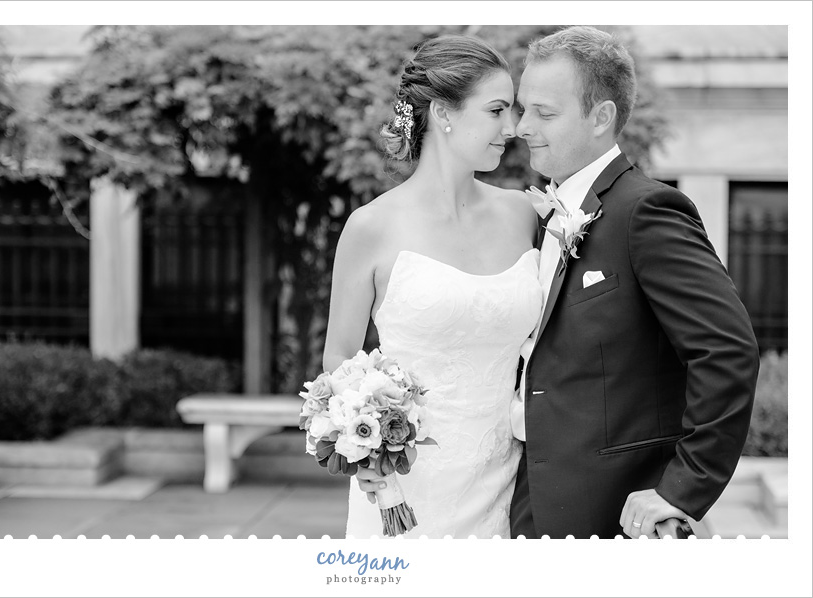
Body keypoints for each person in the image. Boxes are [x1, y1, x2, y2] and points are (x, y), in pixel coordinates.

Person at [510, 26, 760, 539]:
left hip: (615, 514)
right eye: (522, 108)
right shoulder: (540, 215)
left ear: (601, 117)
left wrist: (681, 490)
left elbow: (726, 350)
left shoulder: (646, 211)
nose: (522, 126)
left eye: (544, 113)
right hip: (527, 499)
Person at [322, 34, 542, 538]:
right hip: (404, 488)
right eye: (497, 110)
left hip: (506, 486)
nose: (512, 127)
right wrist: (365, 449)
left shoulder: (524, 214)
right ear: (443, 112)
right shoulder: (371, 227)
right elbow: (339, 357)